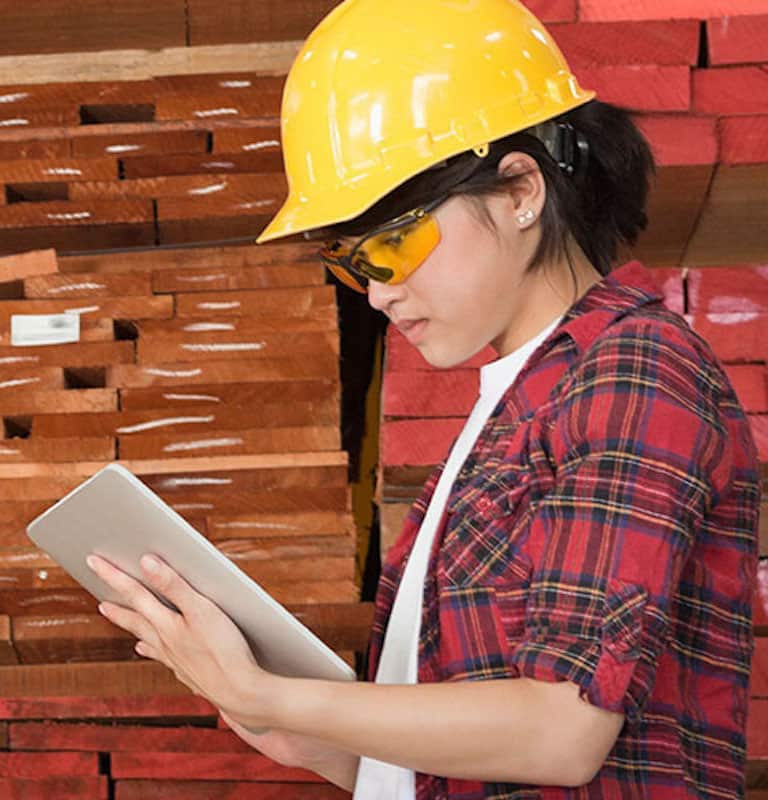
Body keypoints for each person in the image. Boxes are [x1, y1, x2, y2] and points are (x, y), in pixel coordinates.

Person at [86, 0, 762, 797]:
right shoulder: (510, 411)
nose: (379, 294)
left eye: (396, 243)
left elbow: (563, 730)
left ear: (519, 190)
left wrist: (264, 690)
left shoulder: (635, 372)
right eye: (354, 263)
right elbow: (462, 765)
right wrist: (304, 736)